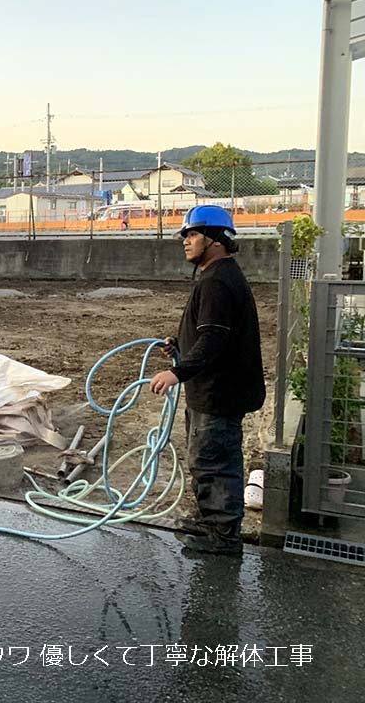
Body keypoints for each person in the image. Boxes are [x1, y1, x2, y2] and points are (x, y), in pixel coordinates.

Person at [150, 205, 265, 555]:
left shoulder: (217, 281)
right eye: (185, 234)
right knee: (205, 459)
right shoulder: (218, 275)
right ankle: (210, 523)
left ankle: (224, 538)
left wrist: (176, 372)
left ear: (216, 240)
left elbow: (214, 339)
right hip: (213, 390)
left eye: (193, 234)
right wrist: (180, 346)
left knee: (214, 463)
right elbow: (209, 334)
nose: (186, 241)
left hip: (219, 393)